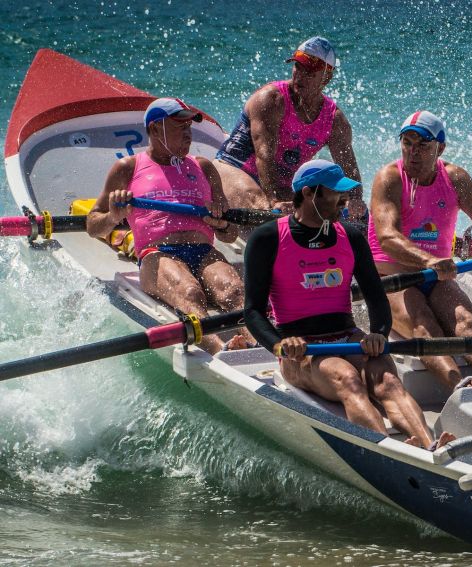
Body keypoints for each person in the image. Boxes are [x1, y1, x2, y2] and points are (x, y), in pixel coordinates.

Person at [244, 159, 451, 449]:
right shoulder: (268, 238)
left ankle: (431, 447)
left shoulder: (351, 237)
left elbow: (375, 296)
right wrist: (280, 345)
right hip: (301, 349)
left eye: (346, 192)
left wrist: (378, 332)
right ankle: (389, 453)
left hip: (348, 337)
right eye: (336, 192)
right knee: (348, 378)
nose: (345, 200)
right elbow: (252, 310)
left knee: (389, 382)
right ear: (308, 194)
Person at [367, 111, 472, 391]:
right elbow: (388, 238)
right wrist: (430, 259)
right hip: (390, 279)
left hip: (435, 278)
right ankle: (461, 387)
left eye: (422, 146)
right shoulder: (389, 178)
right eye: (407, 143)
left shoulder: (455, 178)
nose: (413, 153)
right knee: (424, 322)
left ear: (440, 149)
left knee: (465, 319)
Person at [87, 97, 255, 354]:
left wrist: (221, 225)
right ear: (155, 129)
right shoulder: (128, 168)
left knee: (233, 291)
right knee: (190, 292)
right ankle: (222, 352)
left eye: (189, 126)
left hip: (202, 252)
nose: (188, 133)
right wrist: (112, 217)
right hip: (157, 255)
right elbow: (92, 226)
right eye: (180, 126)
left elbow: (231, 236)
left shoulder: (204, 167)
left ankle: (260, 345)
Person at [214, 36, 367, 221]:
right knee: (269, 210)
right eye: (297, 67)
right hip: (233, 169)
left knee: (326, 212)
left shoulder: (335, 121)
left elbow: (349, 169)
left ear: (326, 78)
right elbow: (264, 157)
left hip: (279, 185)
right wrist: (274, 200)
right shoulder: (271, 100)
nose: (299, 76)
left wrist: (356, 200)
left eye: (309, 72)